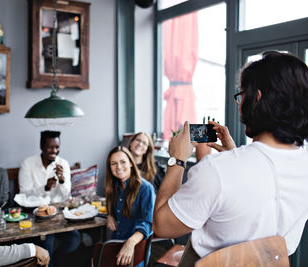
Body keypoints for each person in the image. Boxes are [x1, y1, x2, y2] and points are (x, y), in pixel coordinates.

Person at [153, 51, 308, 266]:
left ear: (258, 98)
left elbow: (162, 226)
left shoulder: (219, 171)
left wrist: (177, 160)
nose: (239, 102)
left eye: (242, 95)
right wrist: (232, 154)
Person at [19, 131, 79, 267]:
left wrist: (62, 180)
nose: (54, 151)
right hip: (36, 216)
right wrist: (45, 188)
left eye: (57, 147)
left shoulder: (63, 163)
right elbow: (24, 194)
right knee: (47, 241)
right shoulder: (28, 164)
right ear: (41, 147)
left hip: (59, 215)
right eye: (50, 147)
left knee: (75, 239)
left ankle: (55, 260)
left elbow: (65, 196)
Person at [105, 146, 156, 267]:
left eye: (123, 162)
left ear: (131, 163)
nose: (118, 167)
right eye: (114, 163)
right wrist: (110, 215)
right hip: (116, 245)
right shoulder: (114, 186)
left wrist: (130, 243)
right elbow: (112, 208)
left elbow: (148, 223)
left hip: (135, 250)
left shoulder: (145, 188)